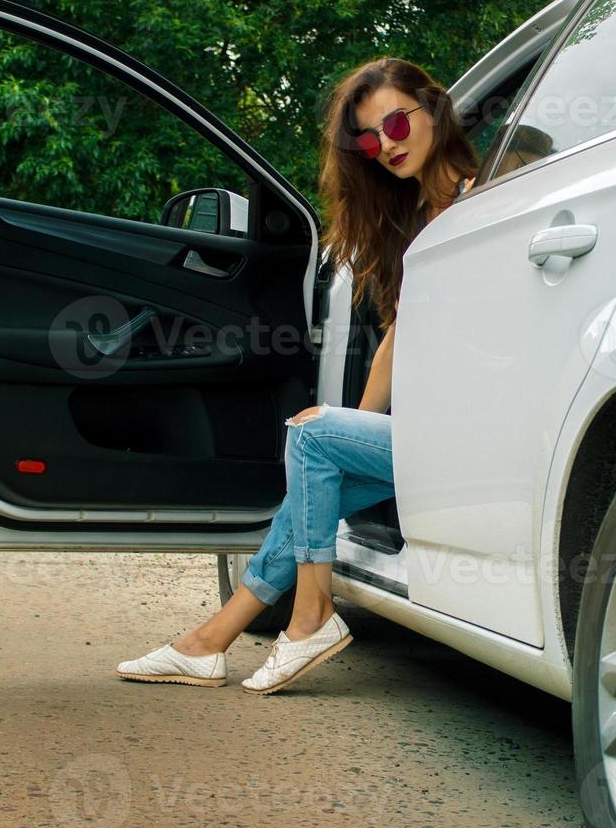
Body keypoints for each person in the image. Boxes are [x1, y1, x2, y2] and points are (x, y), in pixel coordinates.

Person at [117, 56, 478, 694]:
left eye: (396, 123)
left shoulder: (489, 196)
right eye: (369, 140)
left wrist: (338, 429)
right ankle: (209, 643)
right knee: (318, 474)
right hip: (427, 435)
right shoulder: (421, 215)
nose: (386, 145)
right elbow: (398, 338)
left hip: (474, 437)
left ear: (435, 107)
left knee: (310, 438)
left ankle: (307, 618)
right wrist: (359, 424)